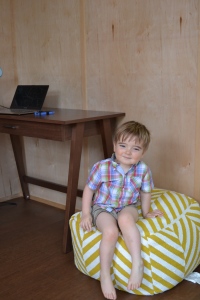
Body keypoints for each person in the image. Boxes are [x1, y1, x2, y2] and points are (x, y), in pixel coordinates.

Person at [80, 121, 163, 300]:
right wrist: (86, 213)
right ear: (115, 146)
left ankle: (137, 264)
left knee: (126, 221)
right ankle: (105, 274)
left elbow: (146, 192)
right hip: (102, 208)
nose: (127, 152)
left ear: (143, 152)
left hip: (128, 207)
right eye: (123, 146)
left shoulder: (143, 170)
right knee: (110, 231)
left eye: (135, 148)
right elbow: (89, 189)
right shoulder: (102, 167)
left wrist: (147, 212)